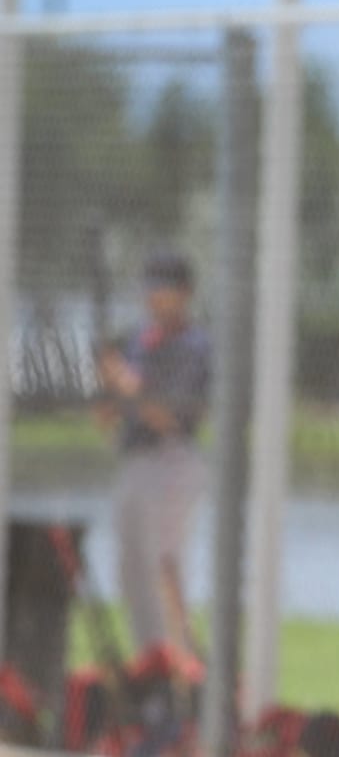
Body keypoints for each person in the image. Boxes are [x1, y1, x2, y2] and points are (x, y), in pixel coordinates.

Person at [93, 252, 211, 652]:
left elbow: (169, 417)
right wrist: (106, 381)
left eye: (165, 289)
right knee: (129, 570)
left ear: (184, 293)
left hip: (173, 459)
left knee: (166, 563)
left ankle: (186, 659)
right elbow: (106, 416)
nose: (155, 298)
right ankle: (152, 661)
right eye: (151, 289)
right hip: (134, 460)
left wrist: (124, 381)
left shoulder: (193, 345)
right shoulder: (135, 340)